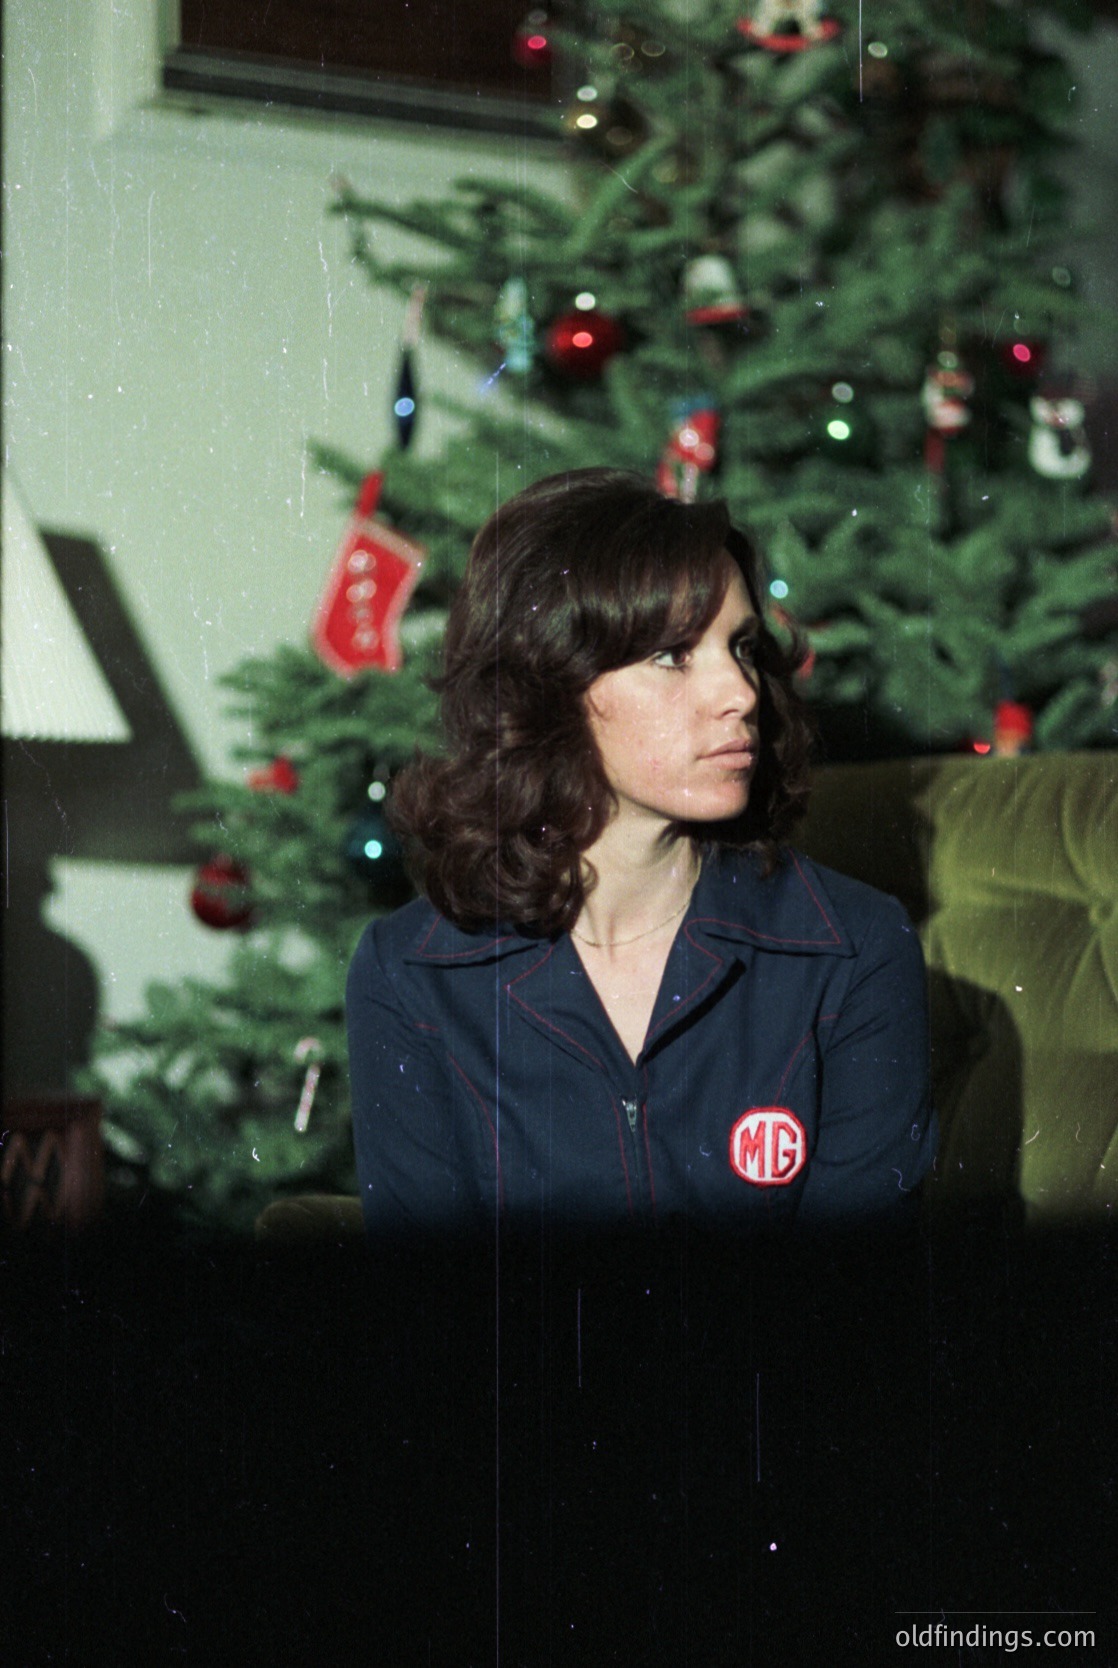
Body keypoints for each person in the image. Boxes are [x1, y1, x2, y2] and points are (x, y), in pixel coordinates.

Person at [346, 468, 936, 1235]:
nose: (743, 693)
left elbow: (856, 1313)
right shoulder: (410, 973)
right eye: (673, 654)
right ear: (550, 681)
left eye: (742, 646)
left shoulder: (855, 949)